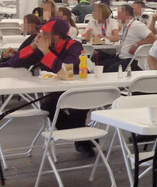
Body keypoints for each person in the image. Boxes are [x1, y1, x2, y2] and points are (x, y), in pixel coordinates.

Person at [8, 18, 94, 156]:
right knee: (48, 106)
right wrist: (32, 47)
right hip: (56, 90)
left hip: (79, 89)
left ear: (58, 36)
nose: (41, 36)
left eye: (46, 33)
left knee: (78, 109)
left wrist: (46, 52)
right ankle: (86, 137)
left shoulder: (74, 46)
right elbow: (14, 63)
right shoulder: (41, 48)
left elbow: (66, 71)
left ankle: (83, 142)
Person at [99, 4, 156, 72]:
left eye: (119, 14)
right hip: (120, 57)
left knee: (107, 71)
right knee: (99, 65)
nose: (117, 16)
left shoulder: (137, 25)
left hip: (131, 60)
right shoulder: (126, 26)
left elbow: (153, 39)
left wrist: (137, 44)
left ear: (126, 14)